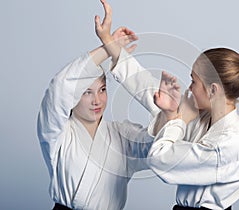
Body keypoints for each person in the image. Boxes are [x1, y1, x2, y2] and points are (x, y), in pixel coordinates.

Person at [96, 1, 239, 210]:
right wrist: (111, 46)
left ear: (213, 90)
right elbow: (152, 93)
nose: (190, 88)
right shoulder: (205, 118)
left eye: (194, 81)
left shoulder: (227, 144)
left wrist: (177, 118)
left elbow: (160, 159)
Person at [37, 16, 165, 210]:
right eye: (86, 92)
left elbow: (164, 142)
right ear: (73, 96)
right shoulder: (57, 132)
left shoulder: (122, 137)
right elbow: (60, 87)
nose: (96, 100)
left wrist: (119, 56)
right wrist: (107, 48)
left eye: (102, 90)